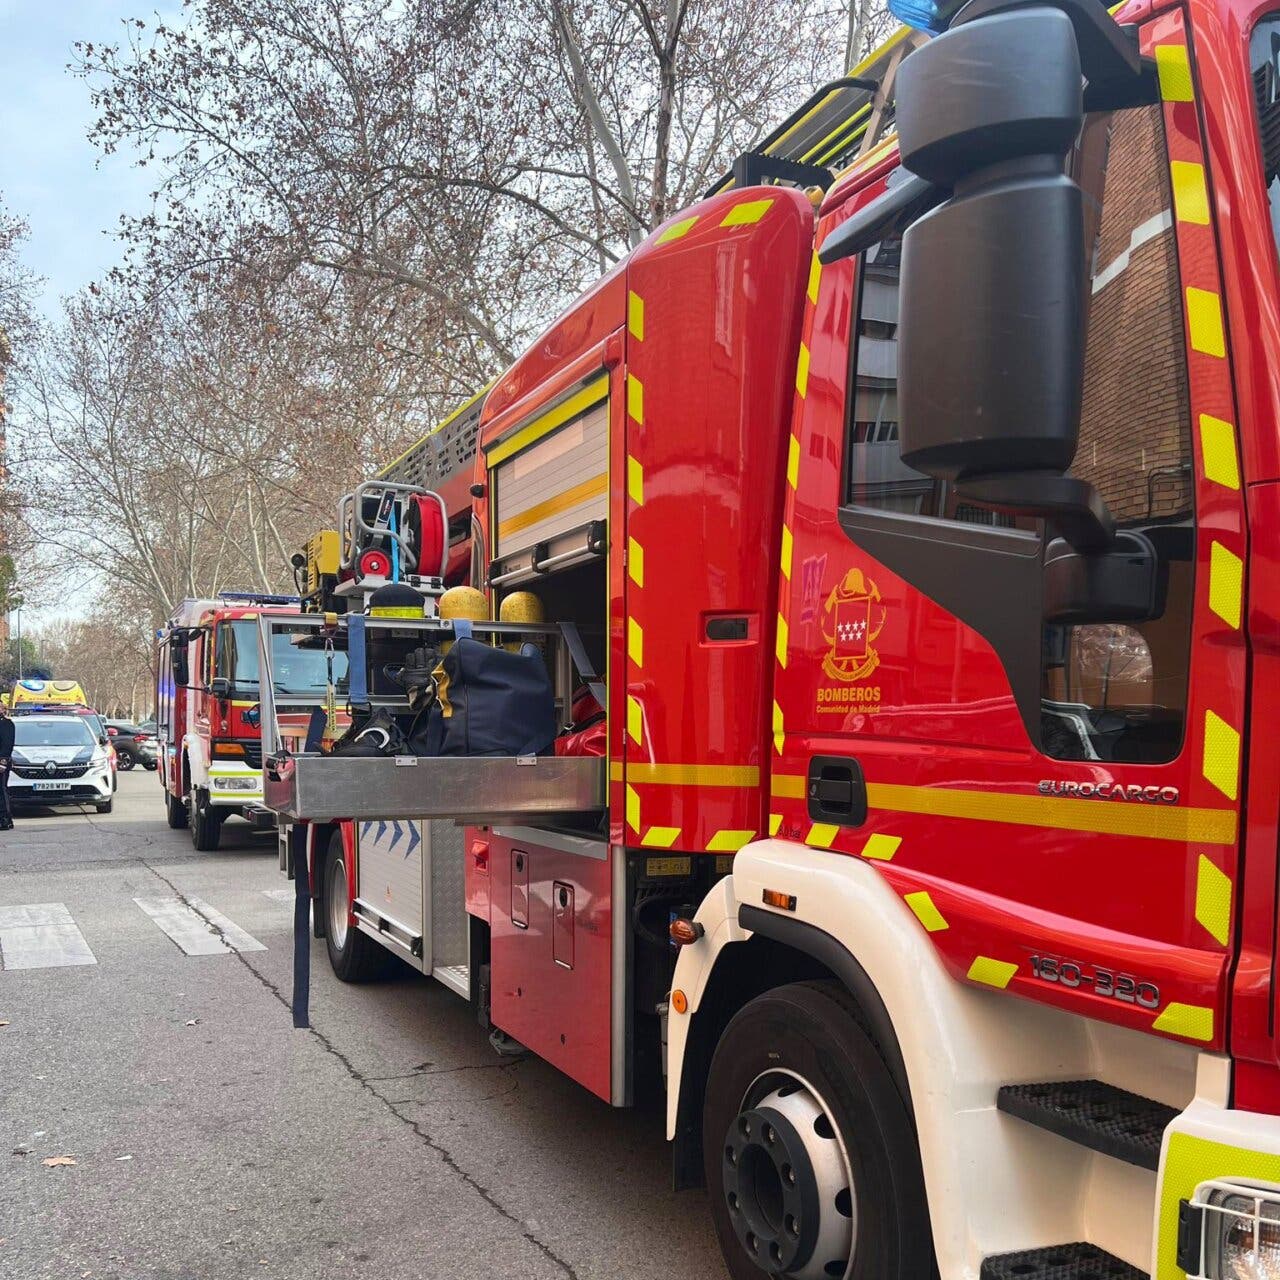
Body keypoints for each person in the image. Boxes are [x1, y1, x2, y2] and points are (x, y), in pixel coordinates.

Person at [0, 702, 13, 831]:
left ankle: (5, 818)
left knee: (2, 790)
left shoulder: (6, 724)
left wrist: (3, 762)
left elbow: (7, 744)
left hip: (1, 762)